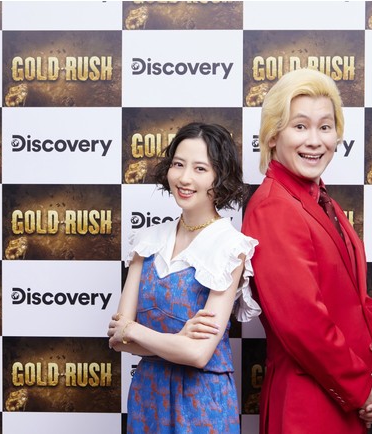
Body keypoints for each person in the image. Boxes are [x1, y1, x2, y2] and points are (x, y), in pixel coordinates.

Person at [241, 68, 372, 433]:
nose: (315, 140)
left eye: (325, 127)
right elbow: (302, 324)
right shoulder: (273, 207)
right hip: (307, 408)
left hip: (345, 399)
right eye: (300, 126)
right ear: (273, 135)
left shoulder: (323, 202)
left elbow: (360, 301)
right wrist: (362, 389)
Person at [107, 122, 261, 433]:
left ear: (220, 177)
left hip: (201, 402)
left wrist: (135, 330)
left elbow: (198, 354)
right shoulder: (147, 240)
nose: (185, 178)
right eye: (178, 164)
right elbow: (117, 340)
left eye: (200, 168)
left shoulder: (231, 247)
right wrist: (177, 339)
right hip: (147, 397)